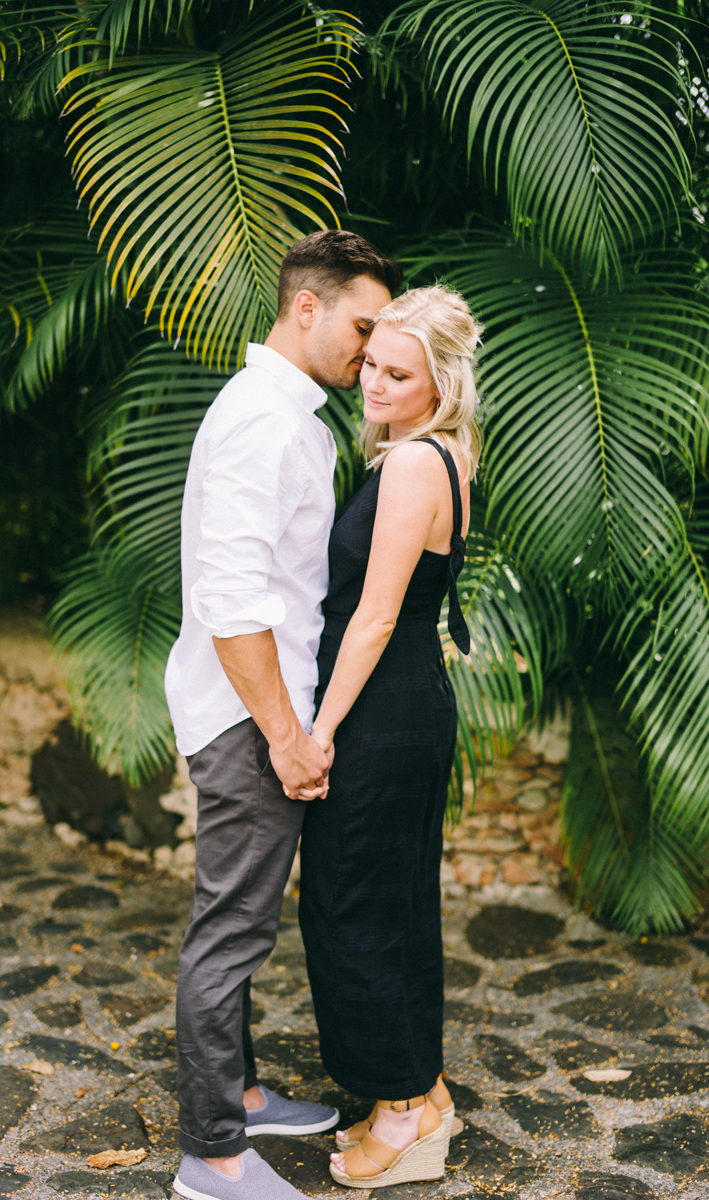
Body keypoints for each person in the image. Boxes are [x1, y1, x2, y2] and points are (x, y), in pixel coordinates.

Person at [166, 230, 402, 1200]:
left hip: (261, 710)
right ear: (305, 307)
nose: (369, 347)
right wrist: (283, 736)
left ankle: (244, 1093)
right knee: (229, 932)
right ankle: (213, 1153)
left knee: (246, 923)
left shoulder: (287, 413)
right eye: (360, 324)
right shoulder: (263, 420)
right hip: (246, 719)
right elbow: (232, 603)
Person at [298, 285, 482, 1190]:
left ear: (441, 383)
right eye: (370, 360)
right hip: (404, 706)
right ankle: (426, 1090)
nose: (372, 380)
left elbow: (371, 619)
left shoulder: (414, 467)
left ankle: (404, 1115)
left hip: (379, 710)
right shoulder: (437, 456)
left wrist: (320, 731)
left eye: (398, 372)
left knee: (356, 909)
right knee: (395, 906)